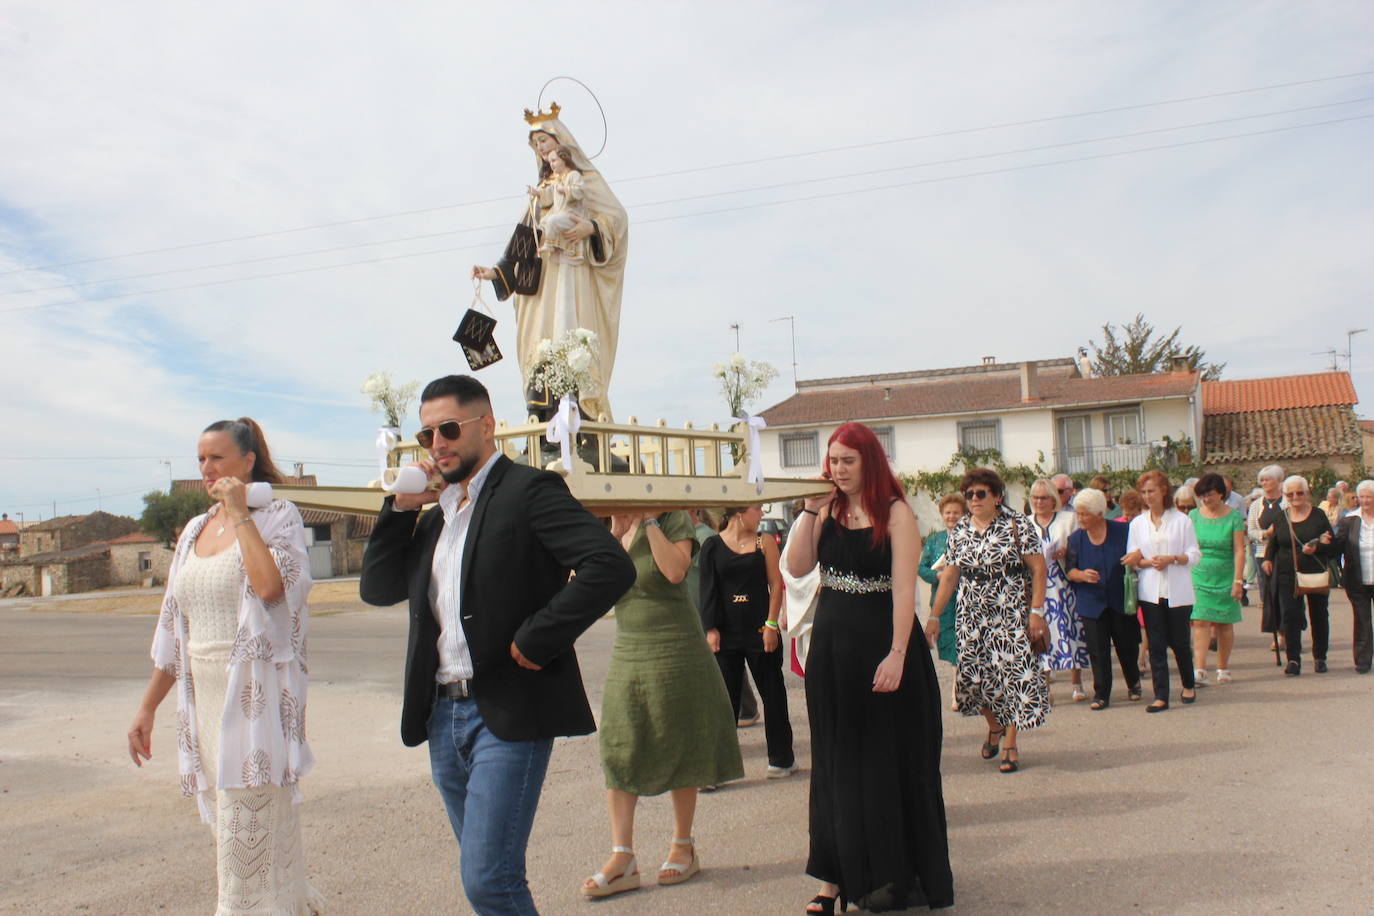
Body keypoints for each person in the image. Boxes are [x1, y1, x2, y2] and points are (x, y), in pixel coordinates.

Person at [358, 375, 636, 915]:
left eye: (448, 429)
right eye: (426, 435)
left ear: (486, 426)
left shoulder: (529, 491)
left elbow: (609, 565)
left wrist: (539, 636)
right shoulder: (436, 517)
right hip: (441, 715)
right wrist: (398, 509)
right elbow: (377, 588)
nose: (437, 444)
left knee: (488, 879)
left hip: (507, 712)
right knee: (486, 875)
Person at [127, 418, 322, 915]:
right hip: (205, 707)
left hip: (254, 710)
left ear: (248, 460)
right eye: (200, 459)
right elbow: (174, 624)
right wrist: (148, 707)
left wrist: (240, 515)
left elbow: (272, 588)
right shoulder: (194, 529)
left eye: (217, 457)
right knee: (239, 848)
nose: (207, 469)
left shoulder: (278, 516)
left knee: (245, 858)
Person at [789, 422, 953, 913]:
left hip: (884, 647)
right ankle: (832, 880)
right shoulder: (827, 509)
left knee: (884, 764)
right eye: (833, 460)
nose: (837, 470)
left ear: (869, 463)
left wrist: (899, 653)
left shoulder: (896, 512)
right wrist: (808, 512)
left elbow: (905, 589)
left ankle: (886, 875)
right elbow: (797, 568)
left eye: (848, 461)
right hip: (833, 650)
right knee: (835, 763)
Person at [584, 510, 743, 897]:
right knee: (620, 743)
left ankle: (683, 845)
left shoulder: (674, 521)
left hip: (677, 646)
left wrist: (650, 522)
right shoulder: (612, 525)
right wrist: (617, 534)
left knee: (680, 739)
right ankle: (622, 856)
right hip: (630, 647)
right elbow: (599, 587)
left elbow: (674, 571)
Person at [472, 108, 628, 421]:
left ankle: (580, 418)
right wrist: (498, 271)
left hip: (572, 273)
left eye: (544, 140)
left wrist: (592, 228)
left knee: (570, 336)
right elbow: (524, 234)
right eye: (536, 145)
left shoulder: (584, 180)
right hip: (539, 280)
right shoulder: (542, 189)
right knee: (539, 343)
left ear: (560, 140)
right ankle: (542, 421)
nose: (541, 149)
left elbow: (617, 218)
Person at [931, 467, 1051, 774]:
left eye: (981, 494)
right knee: (973, 682)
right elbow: (949, 576)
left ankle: (1010, 743)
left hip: (1010, 614)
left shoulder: (1016, 524)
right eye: (969, 494)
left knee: (1012, 678)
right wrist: (933, 615)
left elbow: (1038, 569)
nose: (974, 499)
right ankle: (994, 725)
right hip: (971, 615)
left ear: (997, 497)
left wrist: (1037, 611)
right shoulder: (959, 531)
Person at [698, 504, 796, 778]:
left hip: (760, 630)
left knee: (773, 694)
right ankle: (717, 767)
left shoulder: (764, 542)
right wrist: (711, 628)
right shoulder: (711, 547)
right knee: (724, 701)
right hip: (726, 632)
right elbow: (708, 590)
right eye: (757, 509)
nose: (761, 514)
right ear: (739, 513)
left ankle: (781, 759)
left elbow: (776, 584)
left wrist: (771, 624)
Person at [1124, 470, 1201, 712]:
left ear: (1164, 491)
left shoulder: (1181, 520)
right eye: (1144, 492)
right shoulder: (1137, 523)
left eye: (1151, 491)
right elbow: (1133, 557)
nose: (1147, 496)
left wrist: (1173, 558)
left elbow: (1194, 555)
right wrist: (1147, 562)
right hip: (1150, 591)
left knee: (1179, 642)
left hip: (1177, 590)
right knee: (1155, 643)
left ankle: (1188, 683)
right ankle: (1161, 695)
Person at [1064, 488, 1142, 708]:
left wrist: (1135, 558)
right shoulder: (1076, 539)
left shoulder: (1123, 531)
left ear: (1099, 513)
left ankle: (1133, 681)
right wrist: (1081, 575)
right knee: (1097, 651)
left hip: (1120, 598)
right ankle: (1102, 693)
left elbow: (1139, 552)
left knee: (1127, 646)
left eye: (1085, 514)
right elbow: (1070, 570)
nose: (1080, 518)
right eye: (1078, 514)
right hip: (1092, 601)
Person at [1262, 475, 1337, 676]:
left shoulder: (1318, 515)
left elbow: (1333, 545)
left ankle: (1320, 657)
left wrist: (1318, 547)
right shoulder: (1281, 517)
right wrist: (1268, 559)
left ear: (1307, 493)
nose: (1295, 497)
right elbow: (1274, 542)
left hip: (1315, 571)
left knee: (1319, 615)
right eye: (1291, 494)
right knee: (1290, 616)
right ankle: (1293, 659)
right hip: (1288, 573)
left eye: (1299, 493)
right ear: (1285, 496)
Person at [1028, 478, 1088, 700]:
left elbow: (1081, 546)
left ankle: (1077, 682)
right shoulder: (1025, 523)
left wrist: (1067, 551)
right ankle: (1045, 687)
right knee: (1040, 634)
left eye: (1044, 497)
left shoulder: (1068, 519)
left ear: (1053, 499)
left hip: (1064, 583)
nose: (1039, 502)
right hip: (1037, 586)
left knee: (1070, 630)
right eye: (1035, 498)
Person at [1187, 473, 1246, 685]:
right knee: (1200, 621)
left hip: (1226, 574)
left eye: (1210, 495)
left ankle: (1223, 667)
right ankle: (1200, 669)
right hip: (1199, 574)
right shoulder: (1193, 516)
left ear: (1221, 494)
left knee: (1224, 623)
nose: (1206, 500)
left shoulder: (1234, 517)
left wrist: (1238, 581)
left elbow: (1240, 550)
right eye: (1202, 496)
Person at [919, 494, 965, 708]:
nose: (951, 516)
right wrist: (937, 576)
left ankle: (958, 692)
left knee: (964, 646)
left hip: (966, 598)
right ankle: (960, 689)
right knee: (952, 646)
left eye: (956, 512)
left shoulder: (969, 537)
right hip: (943, 602)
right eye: (948, 512)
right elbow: (921, 567)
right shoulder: (935, 540)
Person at [1330, 480, 1374, 673]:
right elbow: (1338, 545)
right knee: (1362, 620)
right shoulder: (1349, 520)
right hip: (1357, 578)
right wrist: (1324, 544)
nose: (1364, 500)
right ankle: (1363, 660)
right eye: (1361, 496)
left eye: (1369, 496)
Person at [1248, 465, 1287, 646]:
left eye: (1268, 479)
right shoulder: (1257, 505)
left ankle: (1289, 632)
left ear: (1278, 481)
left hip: (1285, 553)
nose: (1264, 483)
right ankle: (1279, 634)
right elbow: (1251, 531)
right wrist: (1265, 534)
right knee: (1269, 595)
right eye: (1262, 480)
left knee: (1285, 595)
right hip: (1263, 553)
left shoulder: (1287, 502)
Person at [530, 145, 587, 261]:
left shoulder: (573, 175)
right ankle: (554, 245)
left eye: (554, 160)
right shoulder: (558, 179)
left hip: (572, 216)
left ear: (564, 159)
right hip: (560, 213)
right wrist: (538, 193)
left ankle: (550, 245)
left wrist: (565, 190)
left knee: (552, 221)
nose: (551, 164)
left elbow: (580, 190)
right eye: (550, 161)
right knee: (543, 223)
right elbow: (549, 194)